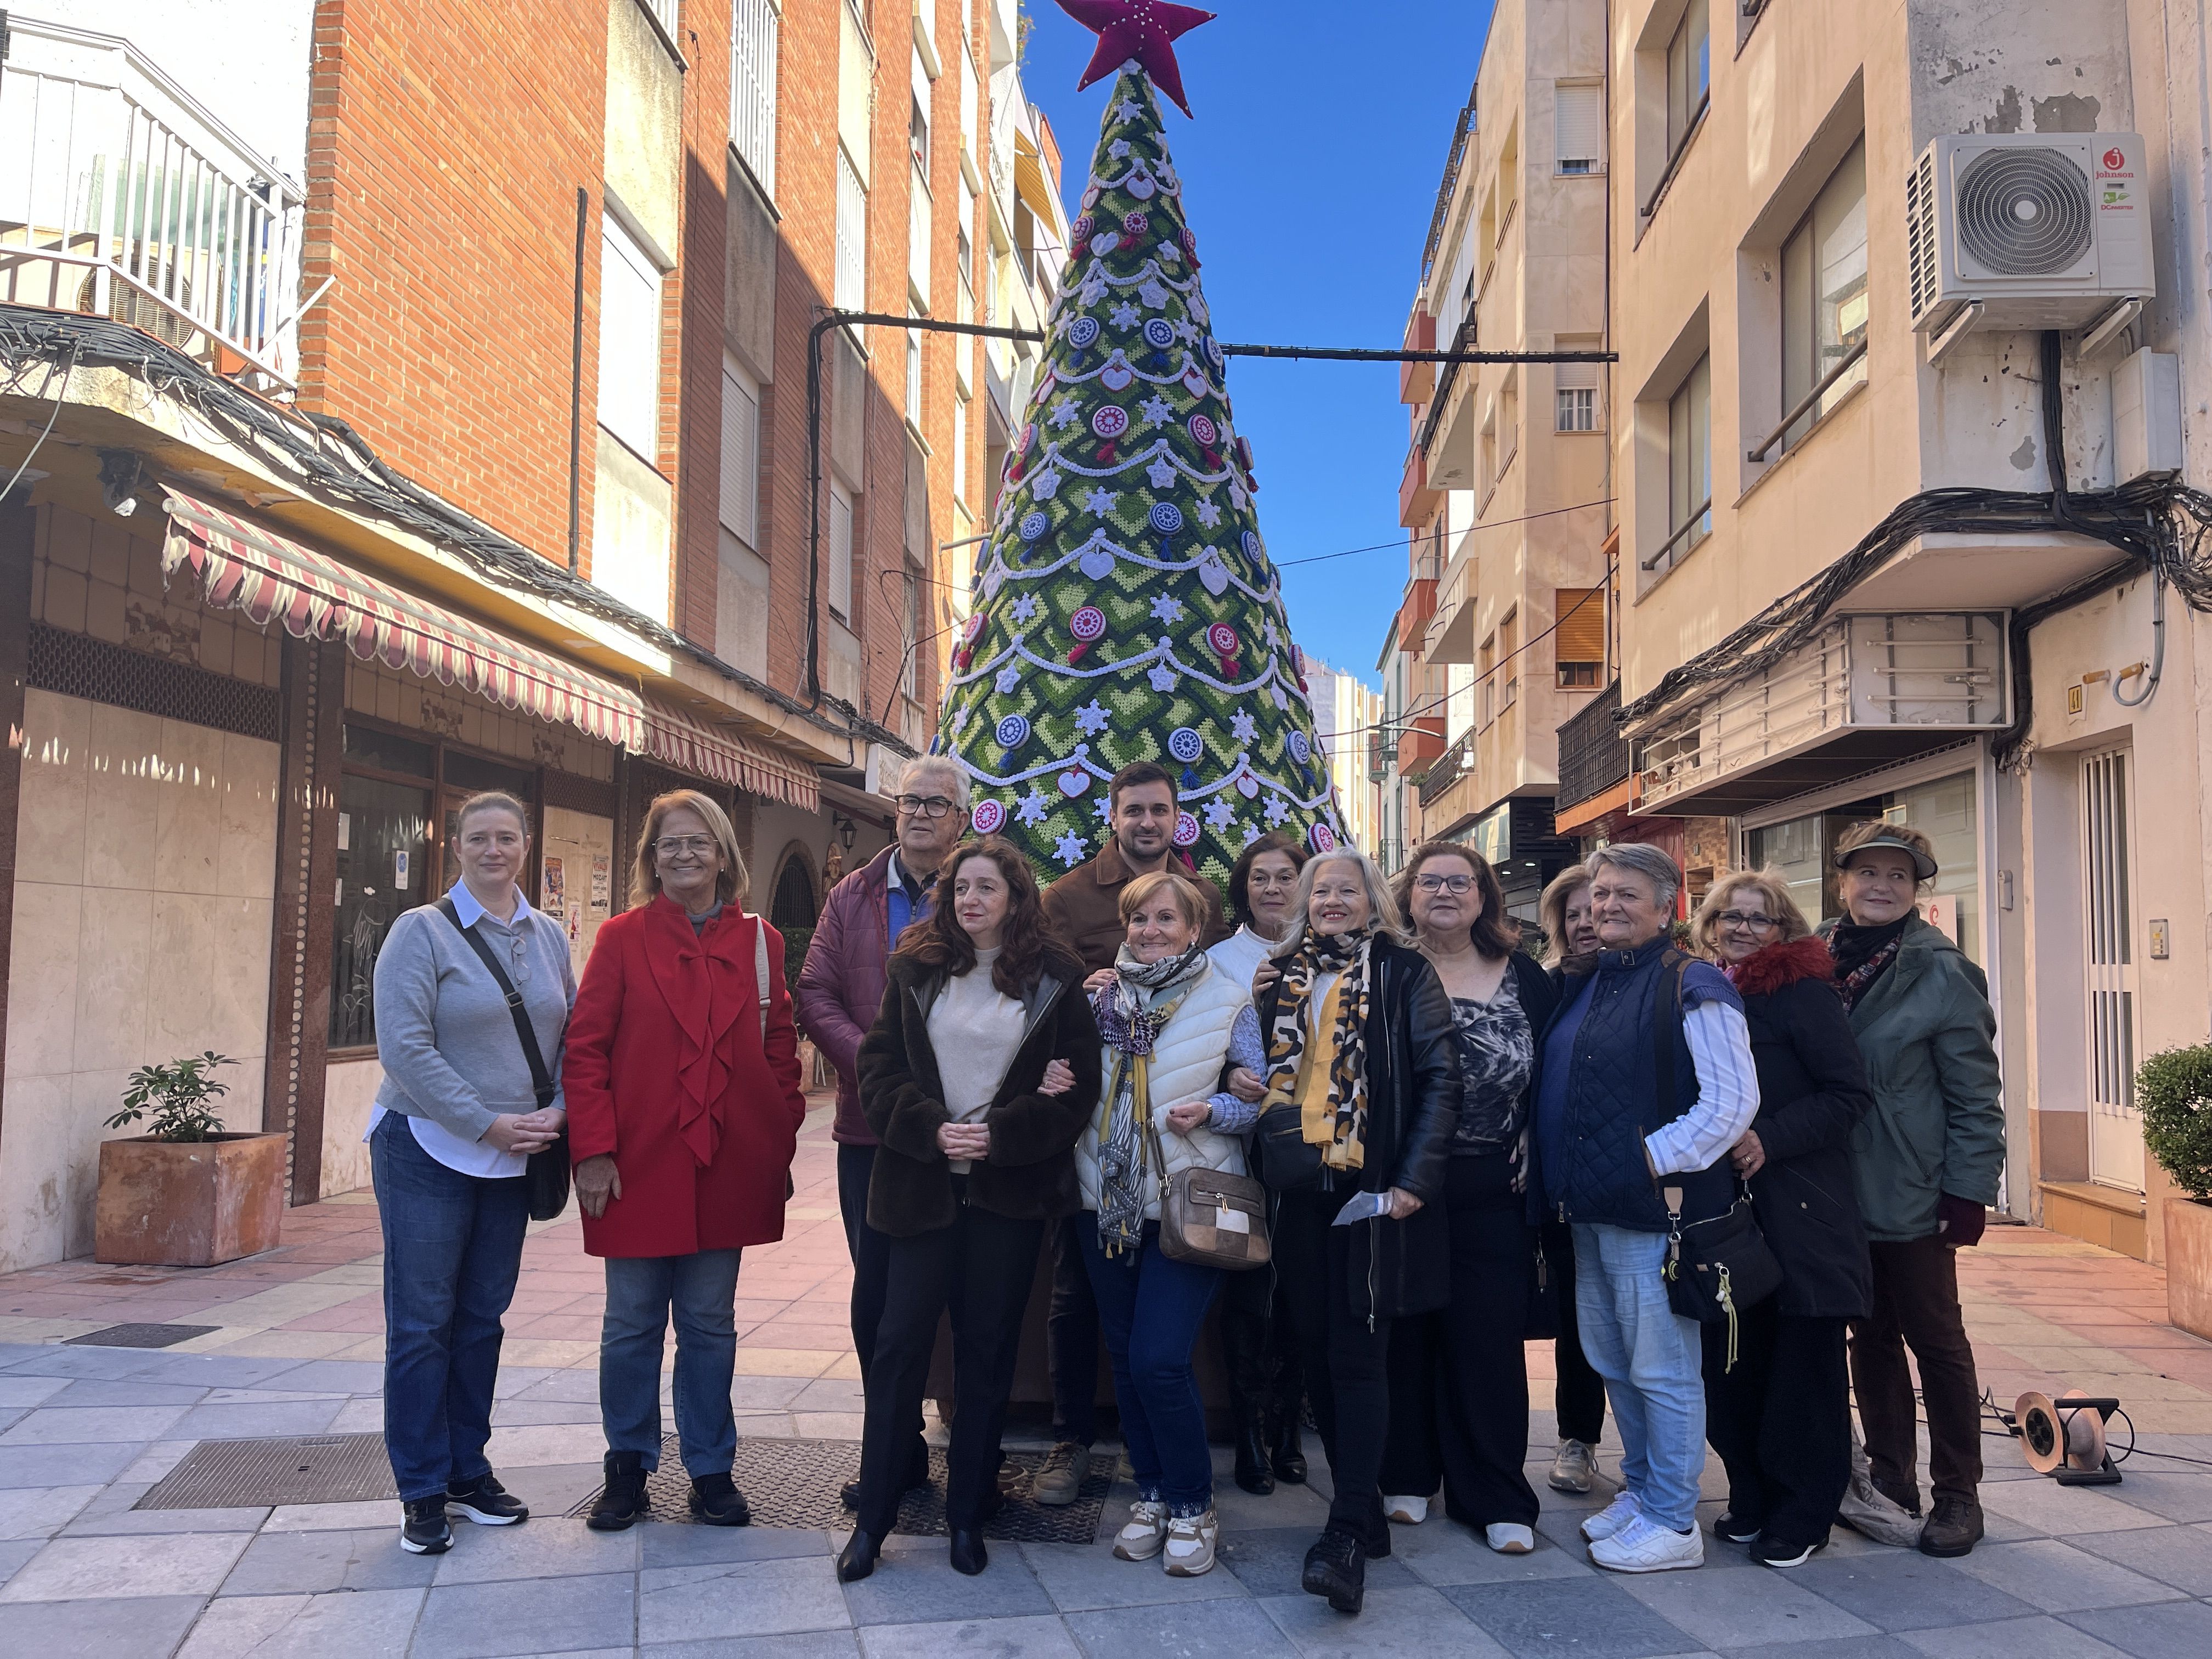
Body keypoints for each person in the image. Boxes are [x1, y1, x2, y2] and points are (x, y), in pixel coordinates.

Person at [839, 836, 1103, 1583]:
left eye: (987, 888)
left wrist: (1001, 1134)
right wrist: (930, 1126)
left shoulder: (1055, 981)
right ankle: (875, 1518)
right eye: (961, 888)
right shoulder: (916, 970)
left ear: (1017, 899)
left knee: (985, 1356)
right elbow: (878, 1067)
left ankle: (966, 1516)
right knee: (896, 1352)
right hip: (918, 1188)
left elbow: (1077, 1092)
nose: (971, 900)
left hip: (1004, 1197)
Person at [563, 791, 807, 1531]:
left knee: (710, 1323)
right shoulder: (620, 939)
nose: (684, 855)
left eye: (699, 843)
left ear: (724, 854)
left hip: (727, 1167)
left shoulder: (762, 944)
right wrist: (594, 1152)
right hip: (635, 1164)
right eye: (670, 844)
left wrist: (779, 1133)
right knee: (630, 1323)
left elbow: (781, 1050)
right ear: (651, 858)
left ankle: (711, 1468)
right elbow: (585, 1052)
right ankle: (627, 1467)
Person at [1528, 842, 1758, 1575]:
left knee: (1661, 1367)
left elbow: (1731, 1102)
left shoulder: (1692, 983)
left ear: (1668, 908)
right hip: (1590, 1210)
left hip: (1654, 1213)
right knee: (1614, 1361)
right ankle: (1644, 1491)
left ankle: (1673, 1518)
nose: (1607, 907)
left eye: (1627, 894)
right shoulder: (1592, 981)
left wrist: (1646, 1159)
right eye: (1600, 895)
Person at [1252, 847, 1458, 1615]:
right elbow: (1269, 1077)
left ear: (1374, 901)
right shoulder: (1283, 980)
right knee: (1314, 1350)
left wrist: (1413, 1180)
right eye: (1319, 891)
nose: (1331, 900)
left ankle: (1342, 1535)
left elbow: (1441, 1077)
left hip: (1370, 1193)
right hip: (1299, 1194)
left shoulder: (1405, 975)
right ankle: (1364, 1512)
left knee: (1359, 1359)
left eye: (1346, 890)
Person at [369, 791, 572, 1555]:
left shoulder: (548, 936)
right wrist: (485, 1121)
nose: (494, 851)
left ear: (526, 845)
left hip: (513, 1156)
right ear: (456, 846)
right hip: (427, 1148)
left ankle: (467, 1470)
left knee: (482, 1319)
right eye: (479, 838)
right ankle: (420, 1488)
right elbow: (405, 1048)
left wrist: (559, 1112)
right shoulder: (419, 932)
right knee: (422, 1325)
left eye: (507, 838)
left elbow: (572, 1038)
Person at [1036, 761, 1228, 1504]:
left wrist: (1231, 1101)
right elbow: (1046, 999)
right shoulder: (1067, 896)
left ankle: (1184, 1492)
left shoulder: (1207, 909)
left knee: (1154, 1349)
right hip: (1099, 1163)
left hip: (1181, 1169)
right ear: (1113, 818)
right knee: (1082, 1306)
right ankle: (1078, 1442)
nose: (1146, 823)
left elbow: (1225, 1022)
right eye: (1133, 811)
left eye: (1159, 811)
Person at [1076, 871, 1263, 1577]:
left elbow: (1259, 1097)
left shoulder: (1229, 999)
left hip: (1191, 1207)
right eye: (1138, 919)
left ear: (1195, 929)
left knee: (1159, 1357)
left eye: (1165, 920)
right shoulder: (1099, 999)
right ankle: (1151, 1492)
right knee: (1125, 1361)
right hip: (1105, 1204)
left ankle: (1192, 1502)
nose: (1149, 932)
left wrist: (1215, 1111)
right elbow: (1065, 1080)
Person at [1824, 822, 2003, 1558]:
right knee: (1868, 1335)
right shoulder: (1817, 960)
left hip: (1912, 1184)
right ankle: (1892, 1479)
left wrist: (1967, 1190)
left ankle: (1959, 1493)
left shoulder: (1941, 971)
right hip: (1837, 1188)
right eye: (1868, 872)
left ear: (1917, 890)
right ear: (1843, 883)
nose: (1882, 886)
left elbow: (1975, 1094)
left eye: (1899, 876)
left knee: (1936, 1338)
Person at [796, 757, 970, 1506]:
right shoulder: (852, 894)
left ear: (963, 818)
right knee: (877, 1298)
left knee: (957, 1296)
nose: (923, 813)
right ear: (894, 812)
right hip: (873, 1131)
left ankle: (969, 1449)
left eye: (938, 802)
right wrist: (875, 1069)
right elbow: (815, 991)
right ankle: (892, 1450)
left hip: (963, 1133)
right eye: (911, 801)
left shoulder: (982, 890)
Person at [1689, 870, 1874, 1568]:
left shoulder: (1801, 993)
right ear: (1708, 925)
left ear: (1782, 929)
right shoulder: (1703, 992)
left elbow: (1848, 1093)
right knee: (1735, 1362)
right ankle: (1753, 1496)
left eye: (1758, 918)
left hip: (1798, 1209)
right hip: (1727, 1215)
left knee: (1803, 1370)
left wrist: (1772, 1136)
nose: (1742, 927)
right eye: (1729, 916)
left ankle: (1804, 1512)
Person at [1378, 842, 1559, 1554]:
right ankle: (1409, 1474)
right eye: (1431, 882)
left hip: (1494, 1185)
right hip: (1403, 1185)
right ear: (1409, 895)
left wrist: (1536, 1144)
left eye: (1462, 882)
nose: (1446, 892)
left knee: (1485, 1341)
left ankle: (1493, 1492)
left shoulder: (1528, 979)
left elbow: (1555, 1073)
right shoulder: (1384, 970)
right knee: (1407, 1334)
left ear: (1485, 898)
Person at [1210, 833, 1312, 1495]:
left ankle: (1289, 1426)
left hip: (1313, 1147)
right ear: (1242, 888)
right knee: (1247, 1290)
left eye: (1285, 877)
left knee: (1300, 1289)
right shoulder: (1218, 960)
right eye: (1260, 878)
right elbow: (1194, 1041)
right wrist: (1231, 1074)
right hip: (1238, 1151)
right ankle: (1247, 1429)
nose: (1272, 888)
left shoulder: (1328, 951)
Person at [1533, 865, 1608, 1496]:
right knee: (1577, 1312)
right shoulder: (1547, 986)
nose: (1587, 922)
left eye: (1597, 909)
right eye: (1575, 913)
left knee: (1645, 1317)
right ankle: (1577, 1437)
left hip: (1638, 1179)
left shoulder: (1662, 980)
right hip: (1561, 1179)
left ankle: (1655, 1449)